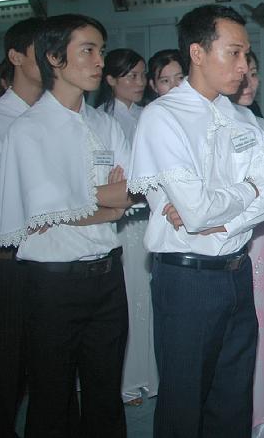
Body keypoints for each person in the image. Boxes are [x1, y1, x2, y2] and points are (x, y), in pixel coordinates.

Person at [127, 4, 264, 438]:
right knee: (184, 404)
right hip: (187, 280)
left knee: (232, 401)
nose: (244, 66)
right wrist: (247, 190)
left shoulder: (243, 118)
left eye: (246, 55)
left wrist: (226, 218)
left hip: (237, 271)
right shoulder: (164, 117)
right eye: (233, 53)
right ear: (197, 53)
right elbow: (197, 211)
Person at [0, 13, 133, 437]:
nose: (99, 61)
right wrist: (105, 202)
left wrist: (87, 200)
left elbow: (132, 191)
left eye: (101, 51)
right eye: (87, 51)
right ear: (55, 58)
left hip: (107, 278)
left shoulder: (104, 124)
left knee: (105, 393)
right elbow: (45, 213)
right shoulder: (29, 130)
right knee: (52, 397)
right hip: (53, 284)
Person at [0, 17, 44, 436]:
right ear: (16, 57)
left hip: (51, 261)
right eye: (45, 50)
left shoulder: (63, 117)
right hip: (4, 262)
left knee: (45, 373)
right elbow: (8, 195)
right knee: (2, 375)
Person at [95, 47, 159, 406]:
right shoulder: (105, 120)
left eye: (141, 75)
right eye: (130, 76)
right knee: (130, 299)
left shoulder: (148, 115)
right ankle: (128, 379)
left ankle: (149, 374)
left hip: (148, 216)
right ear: (111, 80)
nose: (139, 82)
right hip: (123, 221)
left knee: (148, 299)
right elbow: (116, 180)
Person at [230, 49, 264, 436]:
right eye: (243, 73)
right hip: (236, 234)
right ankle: (246, 411)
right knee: (243, 326)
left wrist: (256, 193)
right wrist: (253, 192)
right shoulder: (222, 124)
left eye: (254, 72)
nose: (249, 81)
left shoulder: (262, 125)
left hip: (263, 235)